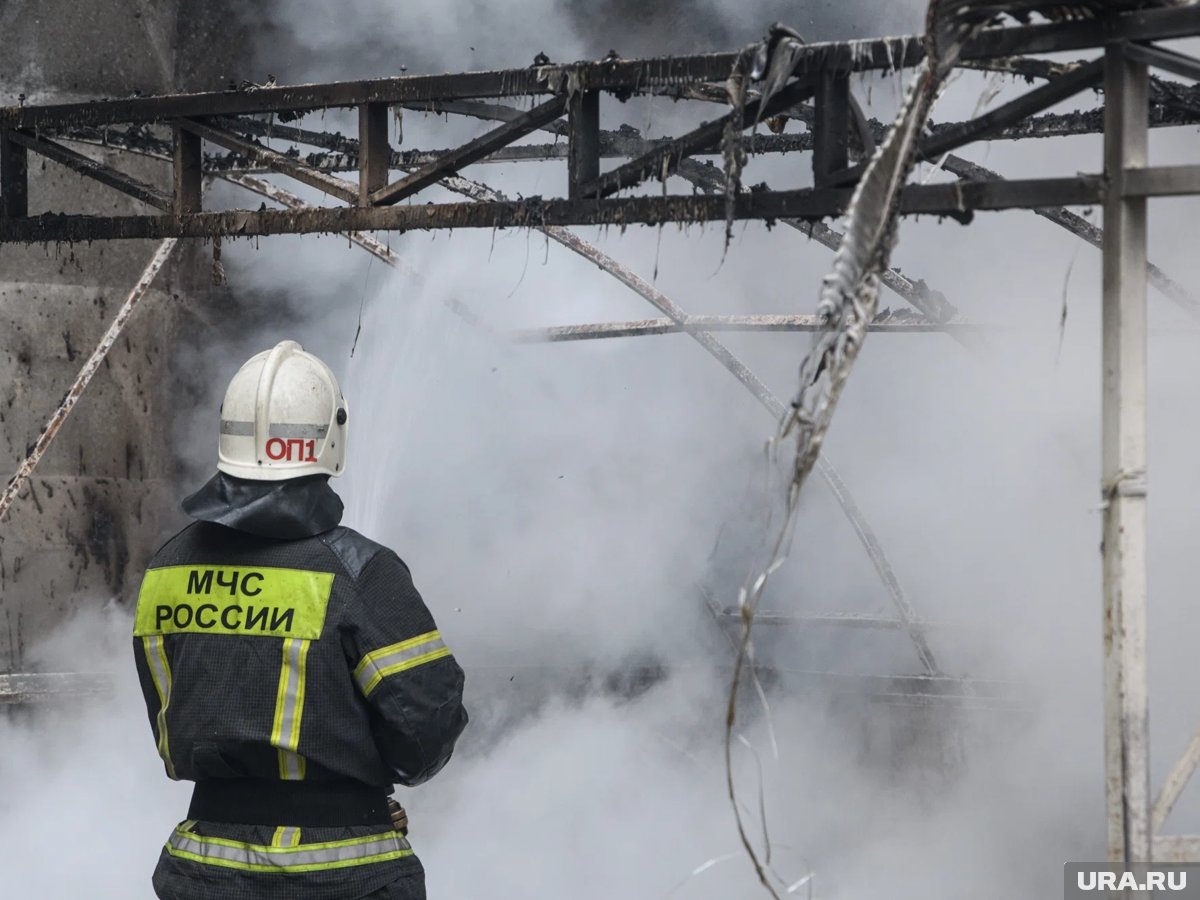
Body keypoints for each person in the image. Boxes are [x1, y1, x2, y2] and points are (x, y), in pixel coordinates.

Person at [132, 340, 468, 900]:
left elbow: (171, 723)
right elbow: (425, 729)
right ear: (329, 438)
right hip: (345, 873)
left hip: (201, 869)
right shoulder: (363, 573)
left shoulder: (166, 567)